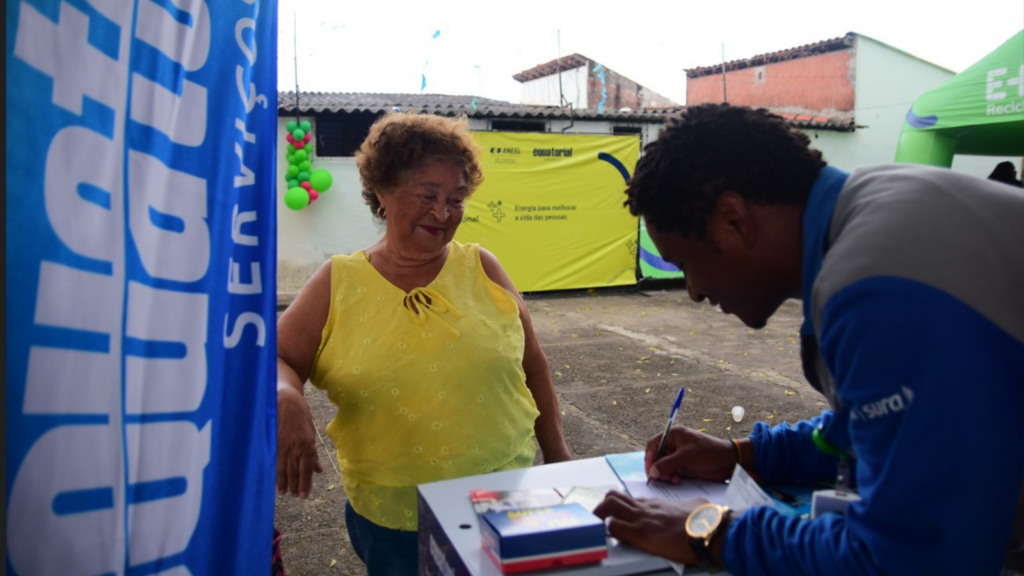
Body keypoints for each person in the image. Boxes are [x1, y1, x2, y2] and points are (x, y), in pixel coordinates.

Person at [593, 103, 1024, 575]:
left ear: (735, 219)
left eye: (684, 264)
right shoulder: (873, 213)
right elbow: (867, 430)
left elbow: (909, 556)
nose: (693, 291)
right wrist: (741, 455)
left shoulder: (875, 284)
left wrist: (708, 530)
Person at [276, 112, 571, 574]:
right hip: (396, 520)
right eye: (427, 195)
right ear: (382, 192)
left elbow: (534, 366)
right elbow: (277, 357)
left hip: (506, 495)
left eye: (456, 198)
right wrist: (285, 394)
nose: (443, 212)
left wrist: (558, 458)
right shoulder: (338, 281)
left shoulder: (484, 268)